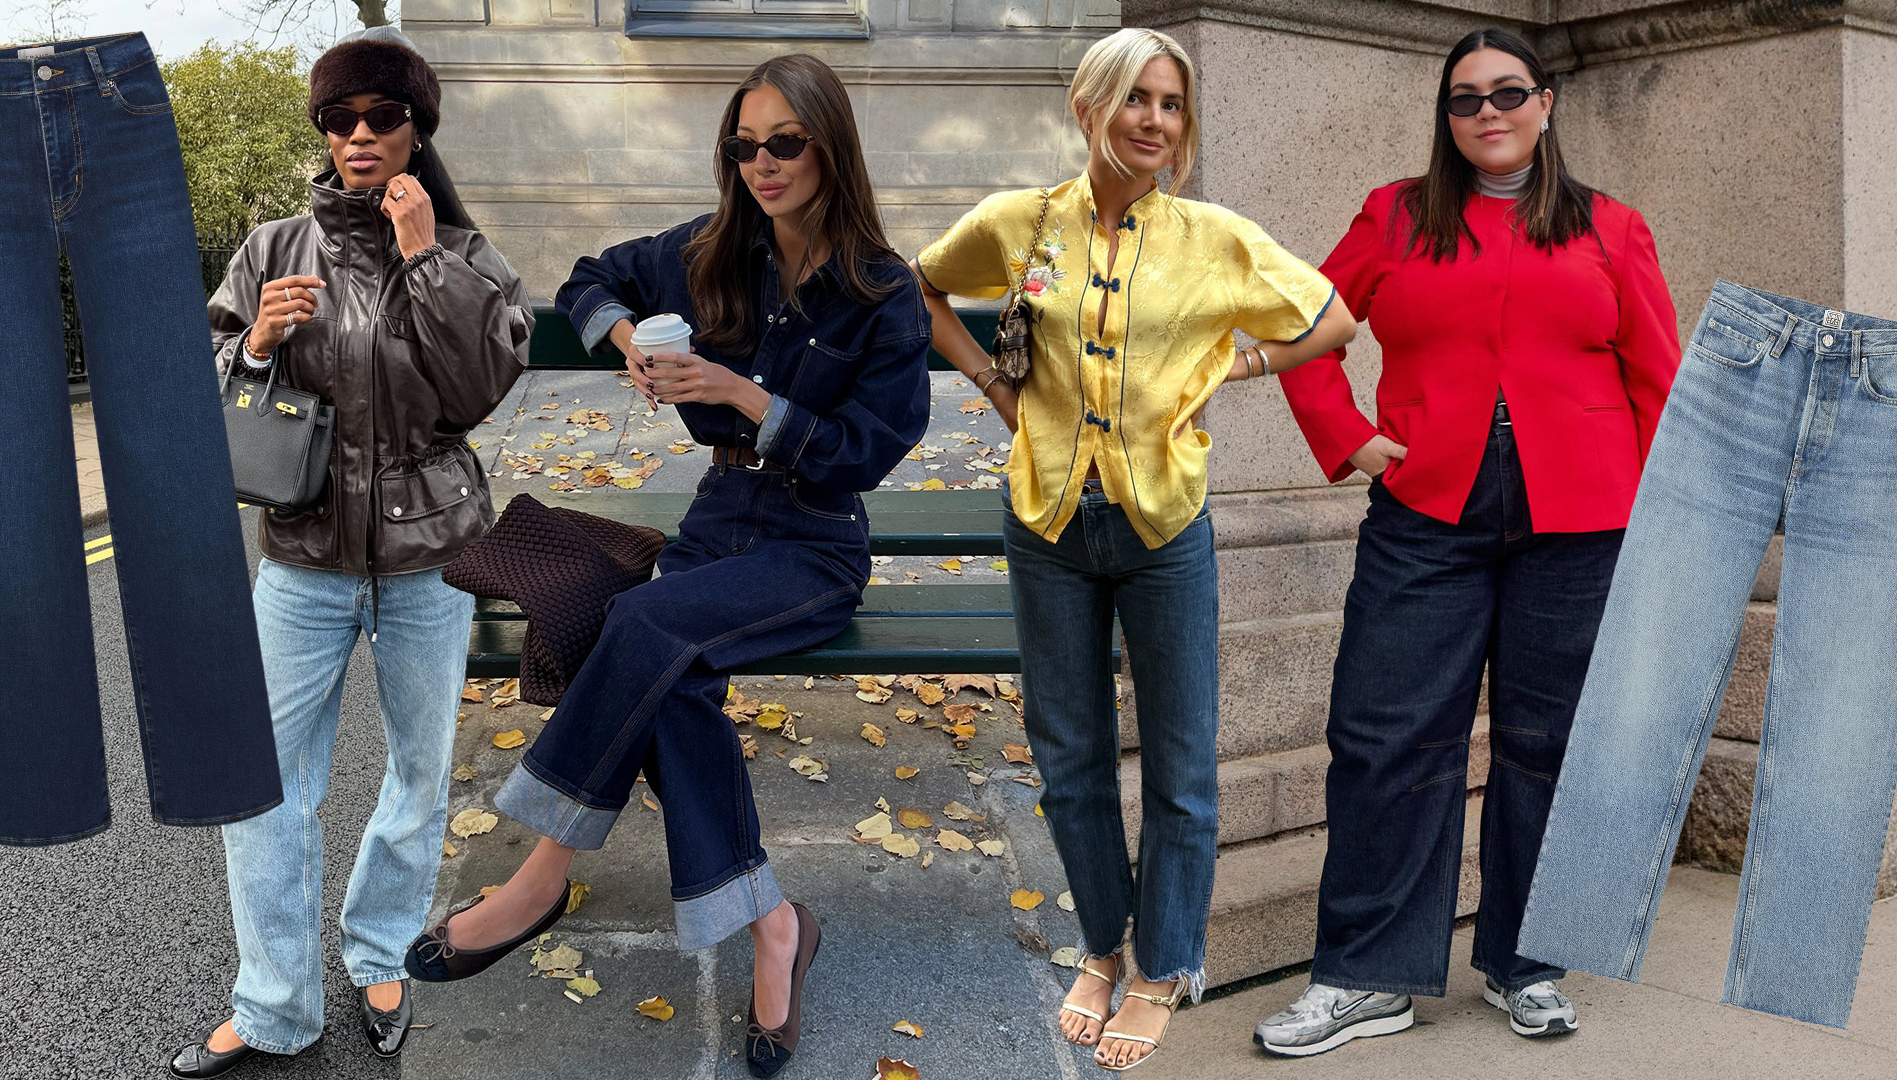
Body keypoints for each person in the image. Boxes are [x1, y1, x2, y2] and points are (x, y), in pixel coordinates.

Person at [401, 54, 931, 1080]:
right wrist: (624, 339)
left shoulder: (883, 290)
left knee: (638, 626)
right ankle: (775, 923)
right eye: (744, 145)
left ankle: (540, 875)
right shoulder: (709, 249)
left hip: (813, 542)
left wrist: (741, 394)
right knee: (671, 681)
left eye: (785, 143)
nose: (762, 163)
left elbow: (863, 451)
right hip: (717, 518)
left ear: (830, 147)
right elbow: (587, 277)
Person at [916, 27, 1355, 1072]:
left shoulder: (1214, 237)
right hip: (1048, 522)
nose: (1155, 120)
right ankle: (1104, 949)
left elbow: (1334, 319)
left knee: (1180, 761)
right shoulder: (1022, 223)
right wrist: (992, 383)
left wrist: (1238, 366)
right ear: (1090, 105)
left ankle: (1163, 966)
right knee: (1068, 757)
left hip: (1164, 527)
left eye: (1171, 103)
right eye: (1136, 98)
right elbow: (918, 287)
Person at [1257, 26, 1680, 1057]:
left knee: (1551, 744)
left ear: (1547, 104)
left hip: (1581, 522)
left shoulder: (1613, 228)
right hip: (1426, 516)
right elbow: (1300, 326)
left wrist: (1665, 523)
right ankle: (1368, 976)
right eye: (1465, 99)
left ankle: (1527, 964)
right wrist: (1349, 438)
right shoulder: (1395, 215)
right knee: (1384, 737)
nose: (1488, 112)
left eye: (1508, 92)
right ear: (1446, 118)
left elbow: (1658, 378)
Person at [170, 28, 532, 1078]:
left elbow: (479, 391)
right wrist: (254, 345)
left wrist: (426, 261)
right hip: (303, 556)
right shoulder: (272, 247)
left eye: (382, 116)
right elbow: (196, 385)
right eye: (340, 118)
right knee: (265, 785)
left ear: (418, 129)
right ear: (323, 131)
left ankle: (379, 953)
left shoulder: (465, 254)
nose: (359, 135)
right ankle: (274, 1004)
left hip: (431, 558)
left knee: (419, 775)